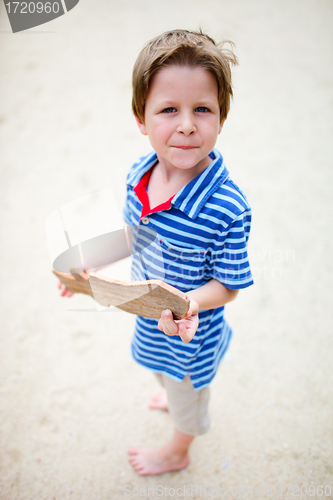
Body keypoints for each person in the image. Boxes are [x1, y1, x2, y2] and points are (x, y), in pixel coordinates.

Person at [59, 29, 254, 476]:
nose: (186, 124)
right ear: (141, 118)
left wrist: (189, 302)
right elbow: (132, 234)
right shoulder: (140, 175)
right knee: (157, 369)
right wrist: (87, 265)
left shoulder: (227, 207)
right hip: (149, 316)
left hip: (190, 331)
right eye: (169, 109)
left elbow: (228, 286)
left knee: (187, 397)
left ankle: (178, 450)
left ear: (221, 118)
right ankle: (169, 391)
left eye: (202, 109)